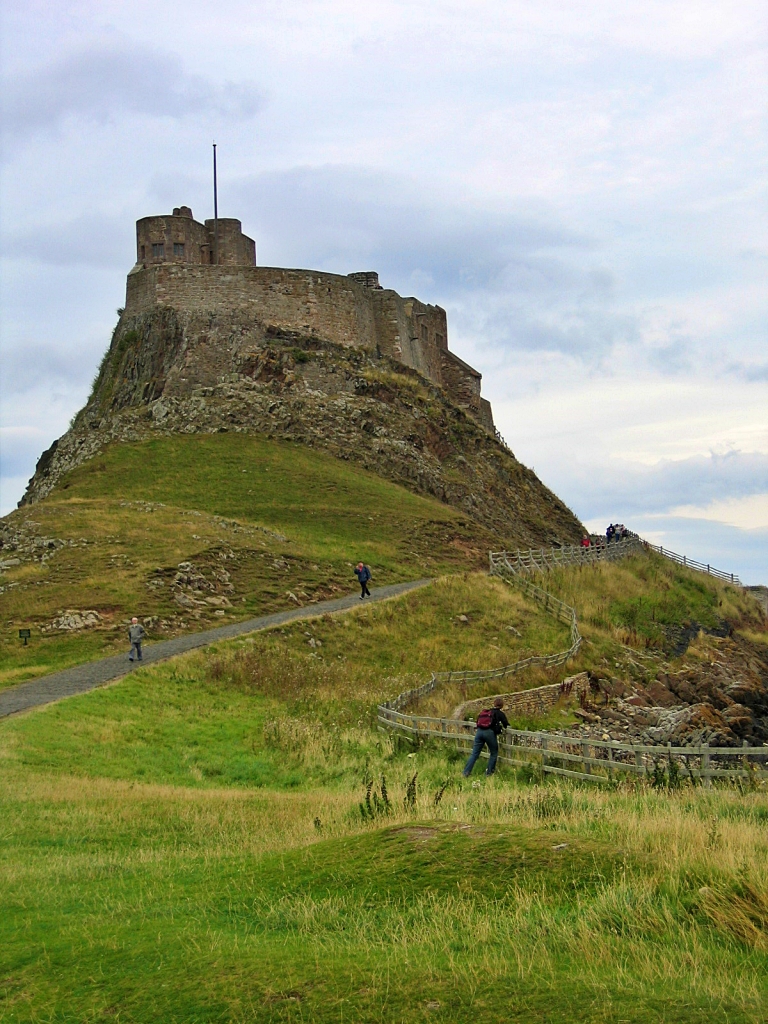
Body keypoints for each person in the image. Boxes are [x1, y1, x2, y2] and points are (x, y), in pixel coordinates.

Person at [462, 697, 509, 777]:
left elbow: (478, 722)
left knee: (474, 754)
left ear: (494, 704)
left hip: (479, 732)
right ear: (501, 706)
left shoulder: (487, 712)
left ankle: (465, 773)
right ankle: (489, 773)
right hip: (489, 733)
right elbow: (506, 724)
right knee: (493, 753)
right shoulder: (500, 713)